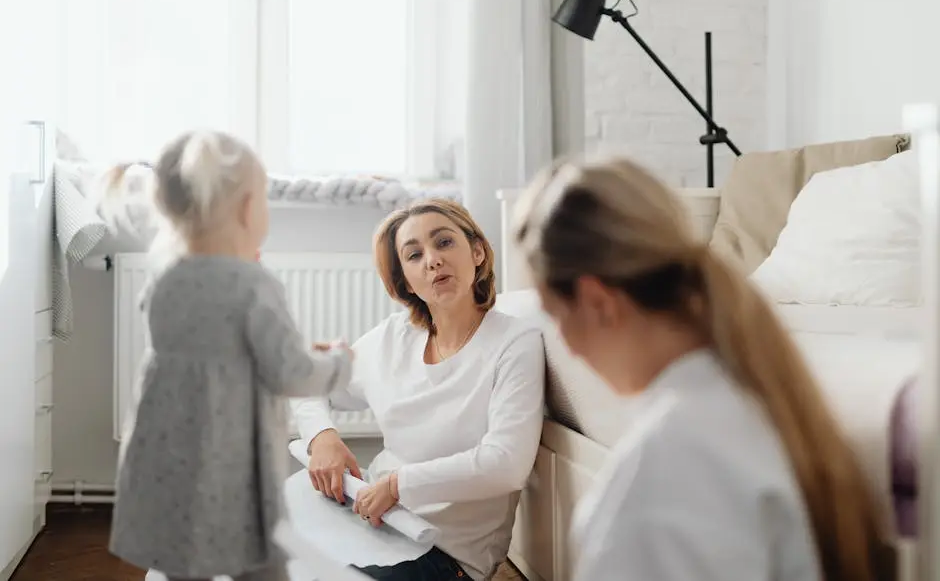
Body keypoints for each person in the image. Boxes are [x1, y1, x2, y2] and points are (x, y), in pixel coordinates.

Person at [512, 158, 895, 581]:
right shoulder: (757, 396)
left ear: (598, 302)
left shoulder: (666, 468)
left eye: (553, 316)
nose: (561, 342)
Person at [108, 130, 354, 581]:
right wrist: (337, 364)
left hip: (169, 451)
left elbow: (209, 346)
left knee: (183, 556)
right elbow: (290, 373)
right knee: (259, 558)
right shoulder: (252, 284)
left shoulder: (165, 279)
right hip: (230, 453)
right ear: (245, 207)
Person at [291, 198, 546, 581]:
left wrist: (398, 485)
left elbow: (506, 464)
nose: (432, 260)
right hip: (369, 521)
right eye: (414, 255)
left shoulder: (515, 341)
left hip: (442, 553)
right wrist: (322, 438)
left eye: (444, 243)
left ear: (476, 252)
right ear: (405, 280)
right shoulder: (394, 338)